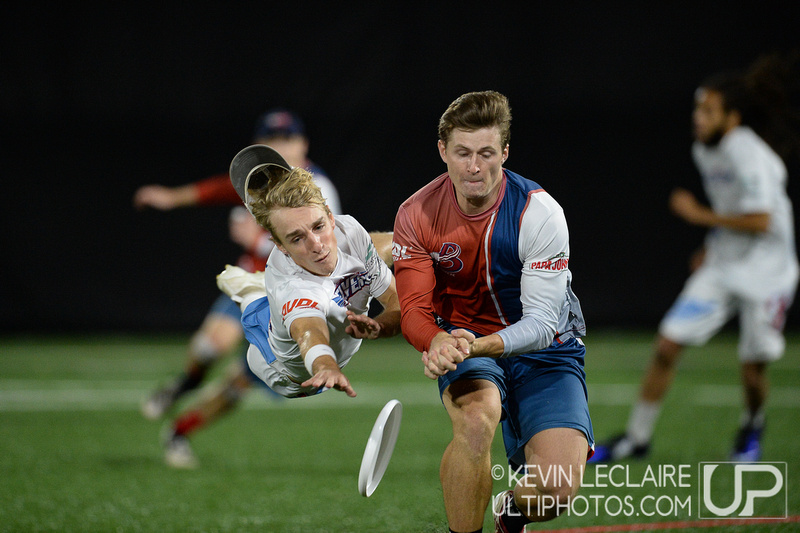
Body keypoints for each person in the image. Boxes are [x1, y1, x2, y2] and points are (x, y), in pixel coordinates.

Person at [392, 91, 593, 533]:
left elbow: (541, 325)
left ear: (505, 151)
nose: (474, 167)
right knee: (477, 420)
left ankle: (512, 510)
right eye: (462, 153)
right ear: (443, 150)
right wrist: (437, 340)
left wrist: (471, 344)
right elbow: (414, 310)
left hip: (545, 349)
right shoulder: (416, 213)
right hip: (468, 343)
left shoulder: (539, 213)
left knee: (557, 489)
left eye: (486, 153)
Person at [591, 52, 800, 464]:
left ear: (732, 117)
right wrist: (712, 241)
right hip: (725, 263)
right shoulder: (706, 151)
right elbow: (735, 209)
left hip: (769, 273)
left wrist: (697, 215)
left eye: (709, 111)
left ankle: (751, 429)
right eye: (697, 109)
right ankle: (637, 439)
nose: (699, 118)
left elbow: (761, 219)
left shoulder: (749, 153)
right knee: (667, 345)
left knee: (752, 368)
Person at [134, 109, 344, 468]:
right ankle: (183, 385)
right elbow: (217, 189)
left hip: (291, 295)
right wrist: (171, 197)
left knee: (241, 379)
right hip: (252, 282)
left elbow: (324, 251)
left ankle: (180, 431)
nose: (282, 147)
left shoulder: (318, 188)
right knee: (208, 346)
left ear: (303, 144)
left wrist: (258, 242)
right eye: (273, 140)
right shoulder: (260, 178)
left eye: (288, 139)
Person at [216, 144, 401, 402]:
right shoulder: (293, 288)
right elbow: (309, 332)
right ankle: (247, 287)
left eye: (319, 226)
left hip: (307, 293)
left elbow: (398, 304)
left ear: (330, 216)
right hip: (279, 368)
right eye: (296, 238)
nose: (316, 244)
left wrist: (380, 326)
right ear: (279, 246)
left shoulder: (348, 229)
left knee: (367, 249)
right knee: (249, 297)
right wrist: (326, 365)